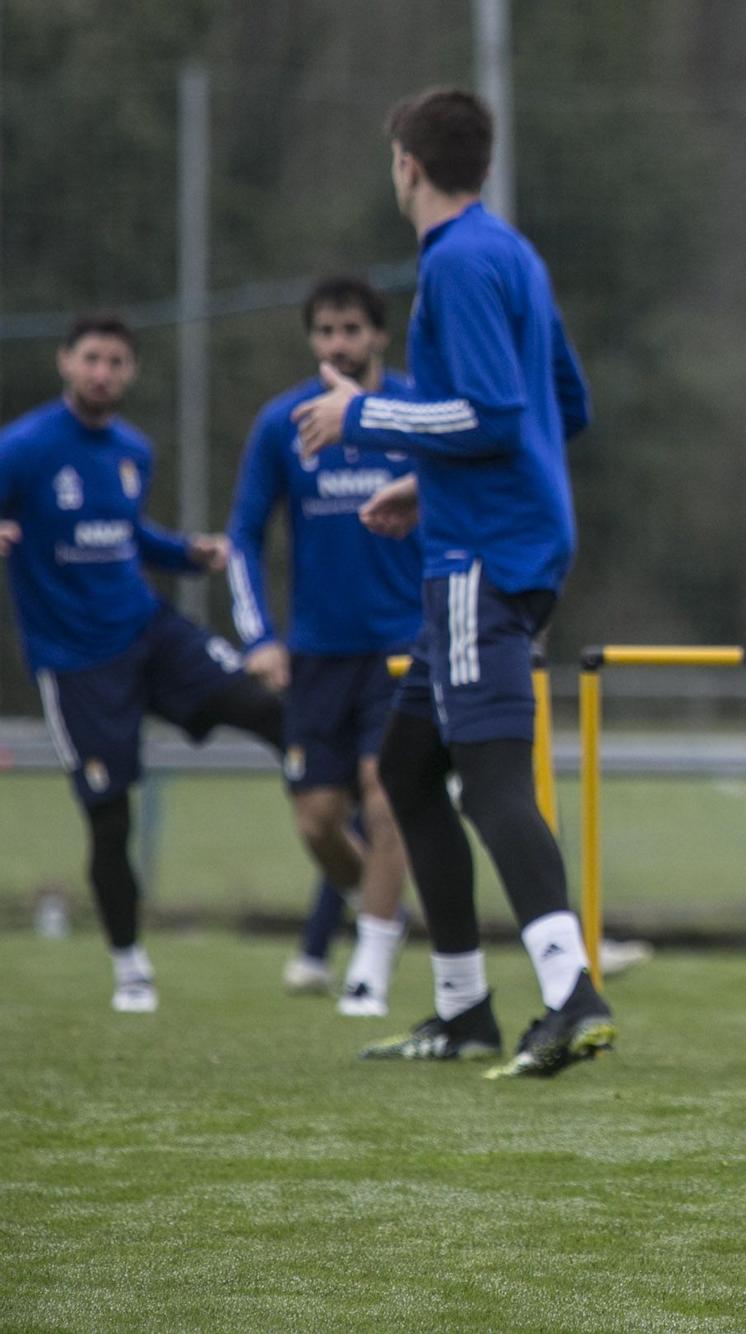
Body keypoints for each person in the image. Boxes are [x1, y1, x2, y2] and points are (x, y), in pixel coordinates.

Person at [290, 87, 600, 1078]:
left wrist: (368, 419)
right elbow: (567, 407)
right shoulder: (509, 254)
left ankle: (571, 991)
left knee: (492, 778)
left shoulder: (460, 262)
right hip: (489, 537)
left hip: (483, 560)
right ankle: (463, 1006)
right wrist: (425, 484)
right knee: (411, 770)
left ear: (406, 166)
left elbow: (495, 416)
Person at [0, 315, 347, 1012]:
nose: (104, 373)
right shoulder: (24, 447)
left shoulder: (131, 449)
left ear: (130, 373)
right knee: (109, 818)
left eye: (118, 362)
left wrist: (184, 553)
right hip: (77, 663)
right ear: (66, 362)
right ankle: (130, 964)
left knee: (274, 712)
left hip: (151, 633)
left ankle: (346, 845)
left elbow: (123, 536)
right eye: (92, 358)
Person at [227, 276, 423, 1017]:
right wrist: (259, 637)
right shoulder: (282, 424)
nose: (338, 345)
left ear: (378, 336)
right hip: (315, 653)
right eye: (325, 332)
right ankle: (385, 906)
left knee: (386, 795)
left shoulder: (411, 414)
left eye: (351, 330)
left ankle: (368, 967)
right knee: (317, 819)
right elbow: (243, 533)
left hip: (402, 647)